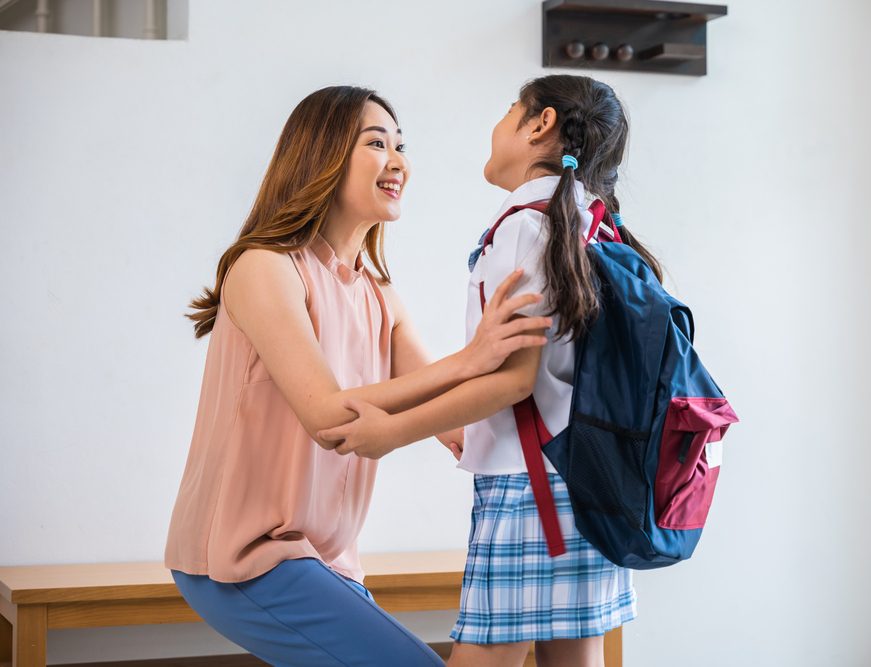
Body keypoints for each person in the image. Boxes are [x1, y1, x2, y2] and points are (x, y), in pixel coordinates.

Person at [163, 85, 551, 667]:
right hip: (244, 558)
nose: (398, 162)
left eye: (401, 146)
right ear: (322, 155)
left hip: (326, 563)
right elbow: (327, 416)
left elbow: (454, 418)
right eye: (376, 143)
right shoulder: (264, 267)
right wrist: (472, 358)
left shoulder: (378, 294)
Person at [321, 74, 665, 667]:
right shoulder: (588, 221)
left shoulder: (525, 226)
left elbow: (511, 380)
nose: (499, 123)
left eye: (511, 110)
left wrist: (391, 432)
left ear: (540, 124)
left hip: (531, 489)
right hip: (588, 481)